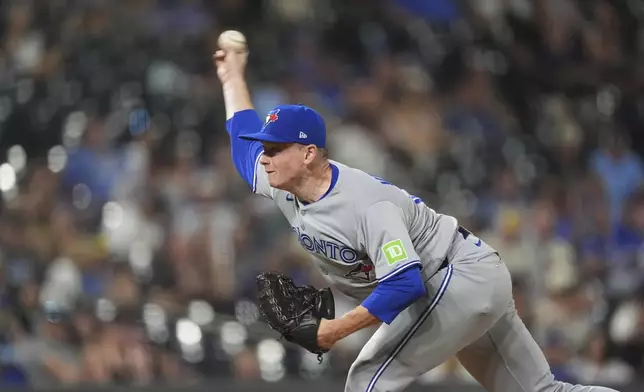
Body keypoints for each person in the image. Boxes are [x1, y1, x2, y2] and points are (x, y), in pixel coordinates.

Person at [213, 45, 618, 392]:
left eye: (275, 148)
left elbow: (405, 282)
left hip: (453, 279)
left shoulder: (363, 202)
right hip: (462, 281)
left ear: (308, 154)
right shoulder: (280, 181)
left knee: (368, 380)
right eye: (265, 148)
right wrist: (232, 76)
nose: (264, 157)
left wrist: (333, 330)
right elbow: (241, 138)